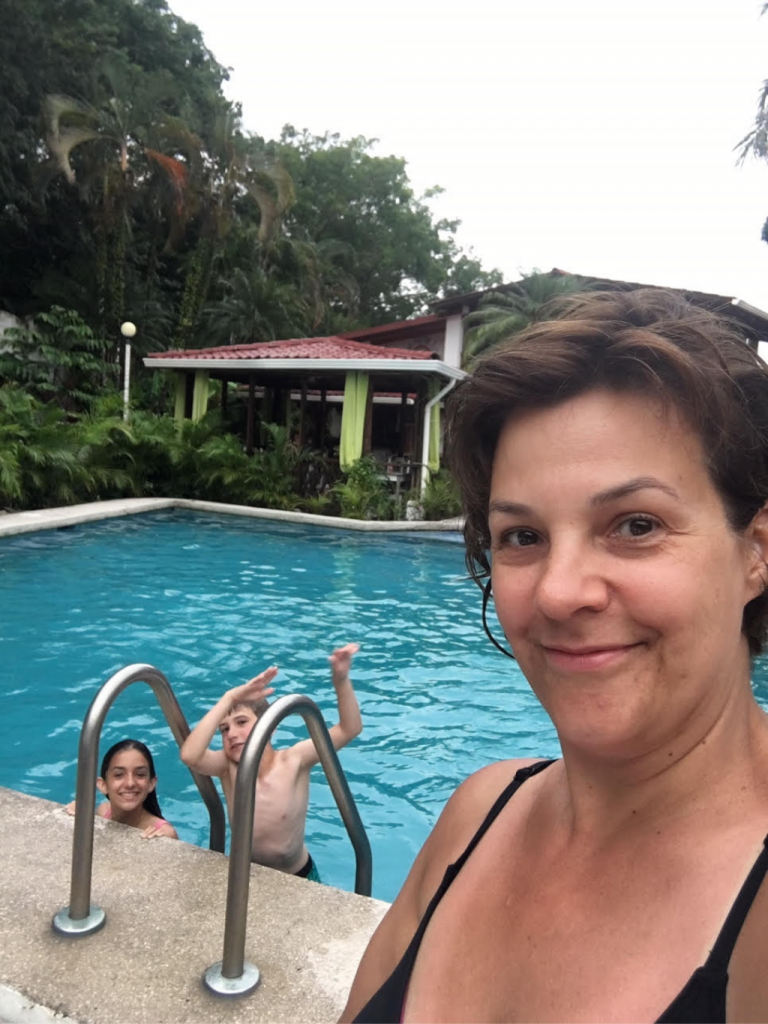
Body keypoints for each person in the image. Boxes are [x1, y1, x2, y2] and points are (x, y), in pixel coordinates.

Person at [341, 289, 768, 1024]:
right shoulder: (480, 813)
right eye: (522, 537)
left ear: (756, 552)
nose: (559, 593)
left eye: (635, 525)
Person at [180, 642, 362, 880]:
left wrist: (341, 681)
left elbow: (350, 728)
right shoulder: (228, 768)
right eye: (223, 729)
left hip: (299, 874)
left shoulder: (295, 760)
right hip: (248, 875)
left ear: (270, 727)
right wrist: (229, 698)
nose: (232, 734)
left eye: (242, 722)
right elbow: (189, 755)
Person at [66, 738, 178, 840]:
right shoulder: (104, 811)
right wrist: (80, 812)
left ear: (151, 783)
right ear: (103, 785)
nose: (130, 783)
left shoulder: (164, 833)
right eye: (119, 775)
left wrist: (160, 843)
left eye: (140, 774)